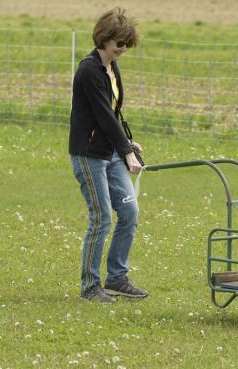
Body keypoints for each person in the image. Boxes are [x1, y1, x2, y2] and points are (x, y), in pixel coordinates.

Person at [69, 8, 148, 303]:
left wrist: (127, 142)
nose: (123, 49)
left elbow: (114, 113)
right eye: (119, 44)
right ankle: (90, 286)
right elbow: (102, 115)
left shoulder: (112, 67)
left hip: (111, 151)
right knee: (101, 218)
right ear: (104, 38)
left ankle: (117, 277)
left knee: (129, 212)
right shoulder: (89, 70)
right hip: (89, 155)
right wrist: (127, 152)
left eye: (127, 44)